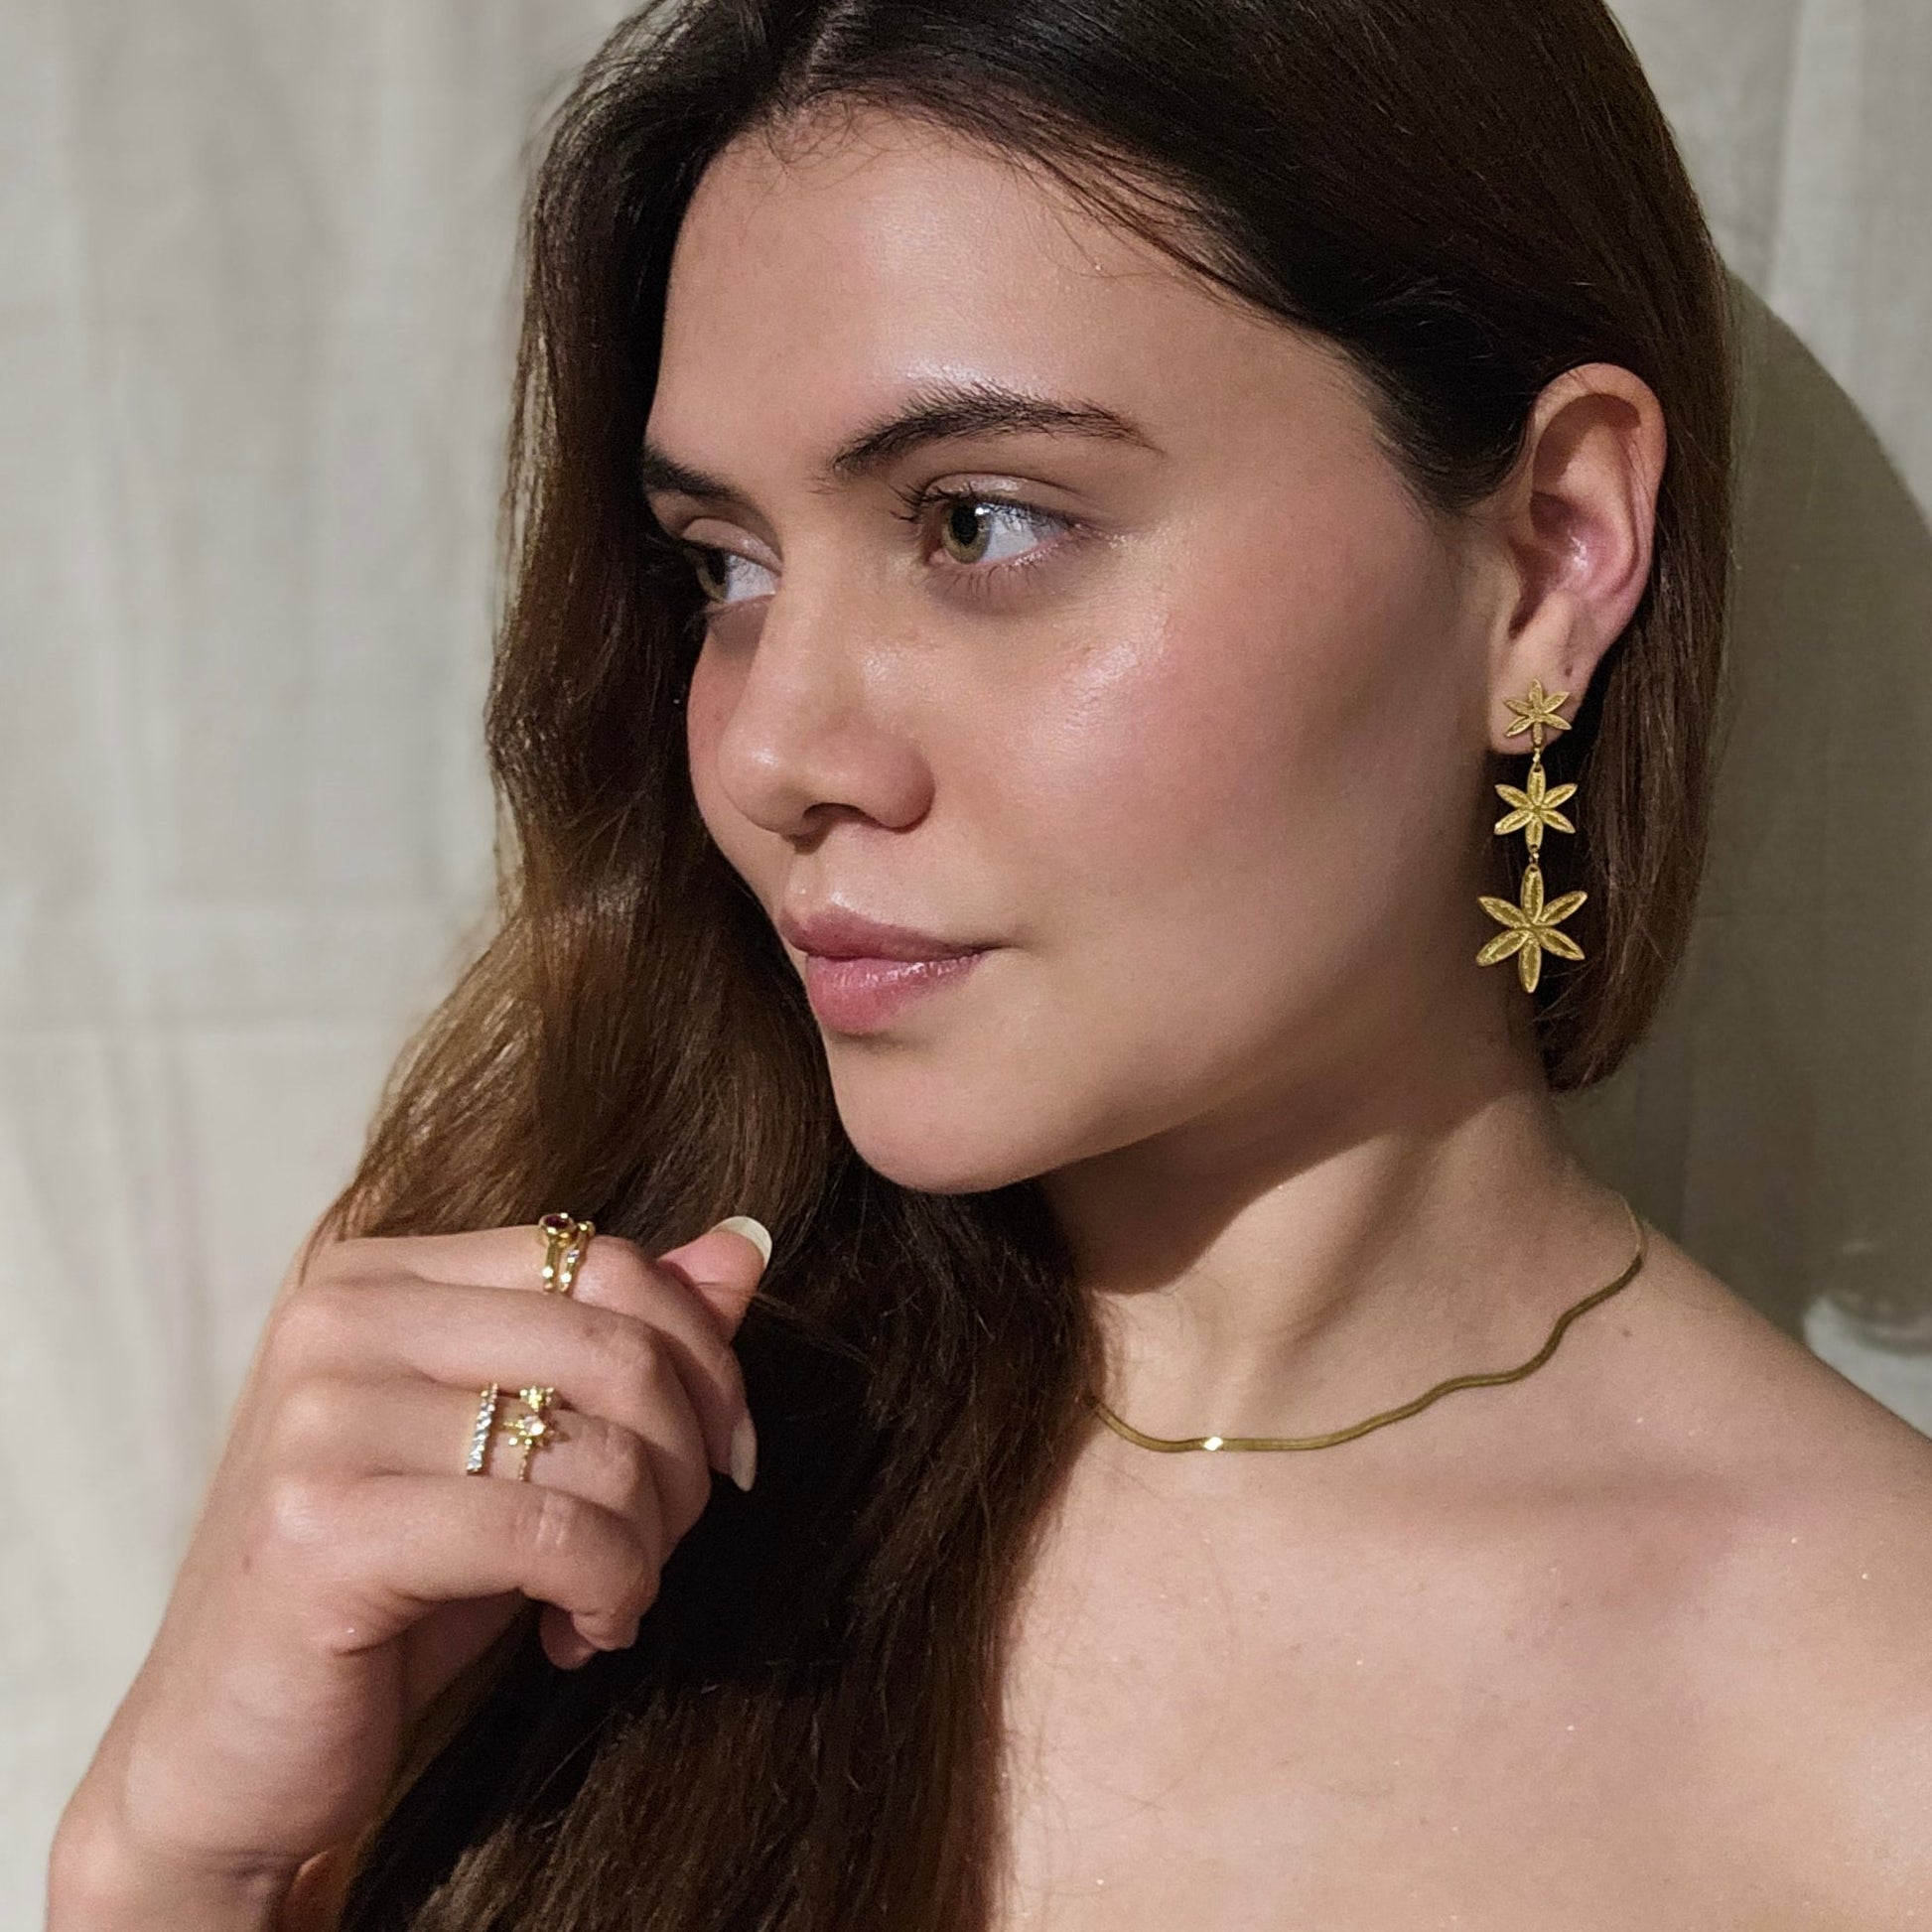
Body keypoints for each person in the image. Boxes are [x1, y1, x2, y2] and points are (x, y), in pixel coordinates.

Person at [47, 0, 1932, 1925]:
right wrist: (162, 1859)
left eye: (979, 522)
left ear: (1544, 553)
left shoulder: (1869, 1724)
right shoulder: (558, 1408)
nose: (775, 748)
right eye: (726, 566)